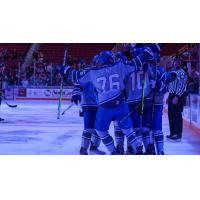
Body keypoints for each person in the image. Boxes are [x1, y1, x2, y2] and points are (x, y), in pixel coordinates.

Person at [61, 44, 160, 155]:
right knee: (128, 131)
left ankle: (114, 151)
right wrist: (150, 51)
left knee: (100, 131)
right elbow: (137, 62)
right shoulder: (120, 66)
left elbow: (76, 76)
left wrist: (66, 69)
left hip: (105, 107)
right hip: (121, 104)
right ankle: (138, 148)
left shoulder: (93, 72)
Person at [166, 55, 188, 142]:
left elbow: (182, 85)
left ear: (181, 63)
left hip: (178, 96)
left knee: (177, 115)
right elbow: (171, 84)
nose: (176, 63)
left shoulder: (182, 73)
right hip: (172, 95)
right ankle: (172, 133)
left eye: (178, 61)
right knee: (171, 115)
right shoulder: (172, 71)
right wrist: (169, 96)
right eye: (175, 61)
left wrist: (177, 96)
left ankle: (178, 134)